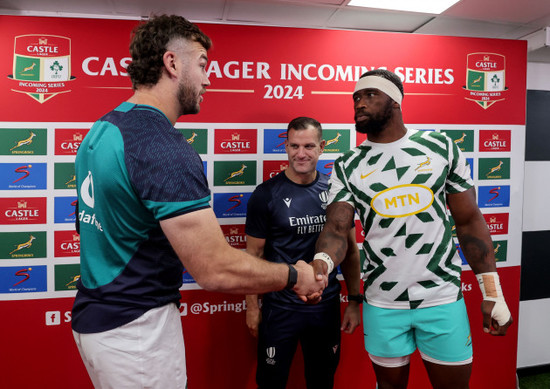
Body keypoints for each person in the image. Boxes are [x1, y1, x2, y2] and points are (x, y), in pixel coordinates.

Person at [71, 15, 326, 389]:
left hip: (99, 320)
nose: (208, 79)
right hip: (137, 331)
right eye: (203, 64)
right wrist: (295, 276)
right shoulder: (161, 147)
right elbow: (214, 269)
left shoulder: (104, 127)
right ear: (172, 64)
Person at [312, 69, 513, 389]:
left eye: (369, 95)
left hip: (441, 299)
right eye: (356, 98)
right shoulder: (348, 164)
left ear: (395, 101)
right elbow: (337, 228)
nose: (359, 104)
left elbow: (469, 220)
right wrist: (321, 264)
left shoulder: (440, 147)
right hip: (382, 303)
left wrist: (492, 292)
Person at [245, 116, 362, 389]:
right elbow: (254, 256)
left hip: (326, 307)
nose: (301, 154)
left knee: (322, 381)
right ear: (285, 147)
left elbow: (352, 250)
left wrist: (354, 301)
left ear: (322, 147)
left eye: (309, 146)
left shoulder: (336, 192)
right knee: (270, 382)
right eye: (294, 146)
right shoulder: (266, 195)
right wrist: (252, 307)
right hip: (280, 308)